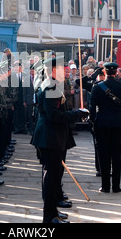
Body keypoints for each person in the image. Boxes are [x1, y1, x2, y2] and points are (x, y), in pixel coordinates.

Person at [31, 56, 88, 223]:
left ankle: (53, 210)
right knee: (51, 177)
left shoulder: (53, 84)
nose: (66, 72)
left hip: (53, 136)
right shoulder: (50, 86)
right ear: (54, 70)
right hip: (49, 137)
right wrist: (78, 113)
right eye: (63, 69)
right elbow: (54, 115)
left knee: (54, 177)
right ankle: (49, 216)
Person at [89, 62, 121, 193]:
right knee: (116, 155)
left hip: (102, 123)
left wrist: (93, 123)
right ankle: (116, 186)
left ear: (104, 72)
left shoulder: (97, 87)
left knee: (103, 155)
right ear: (116, 72)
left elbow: (92, 107)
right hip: (117, 123)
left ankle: (105, 186)